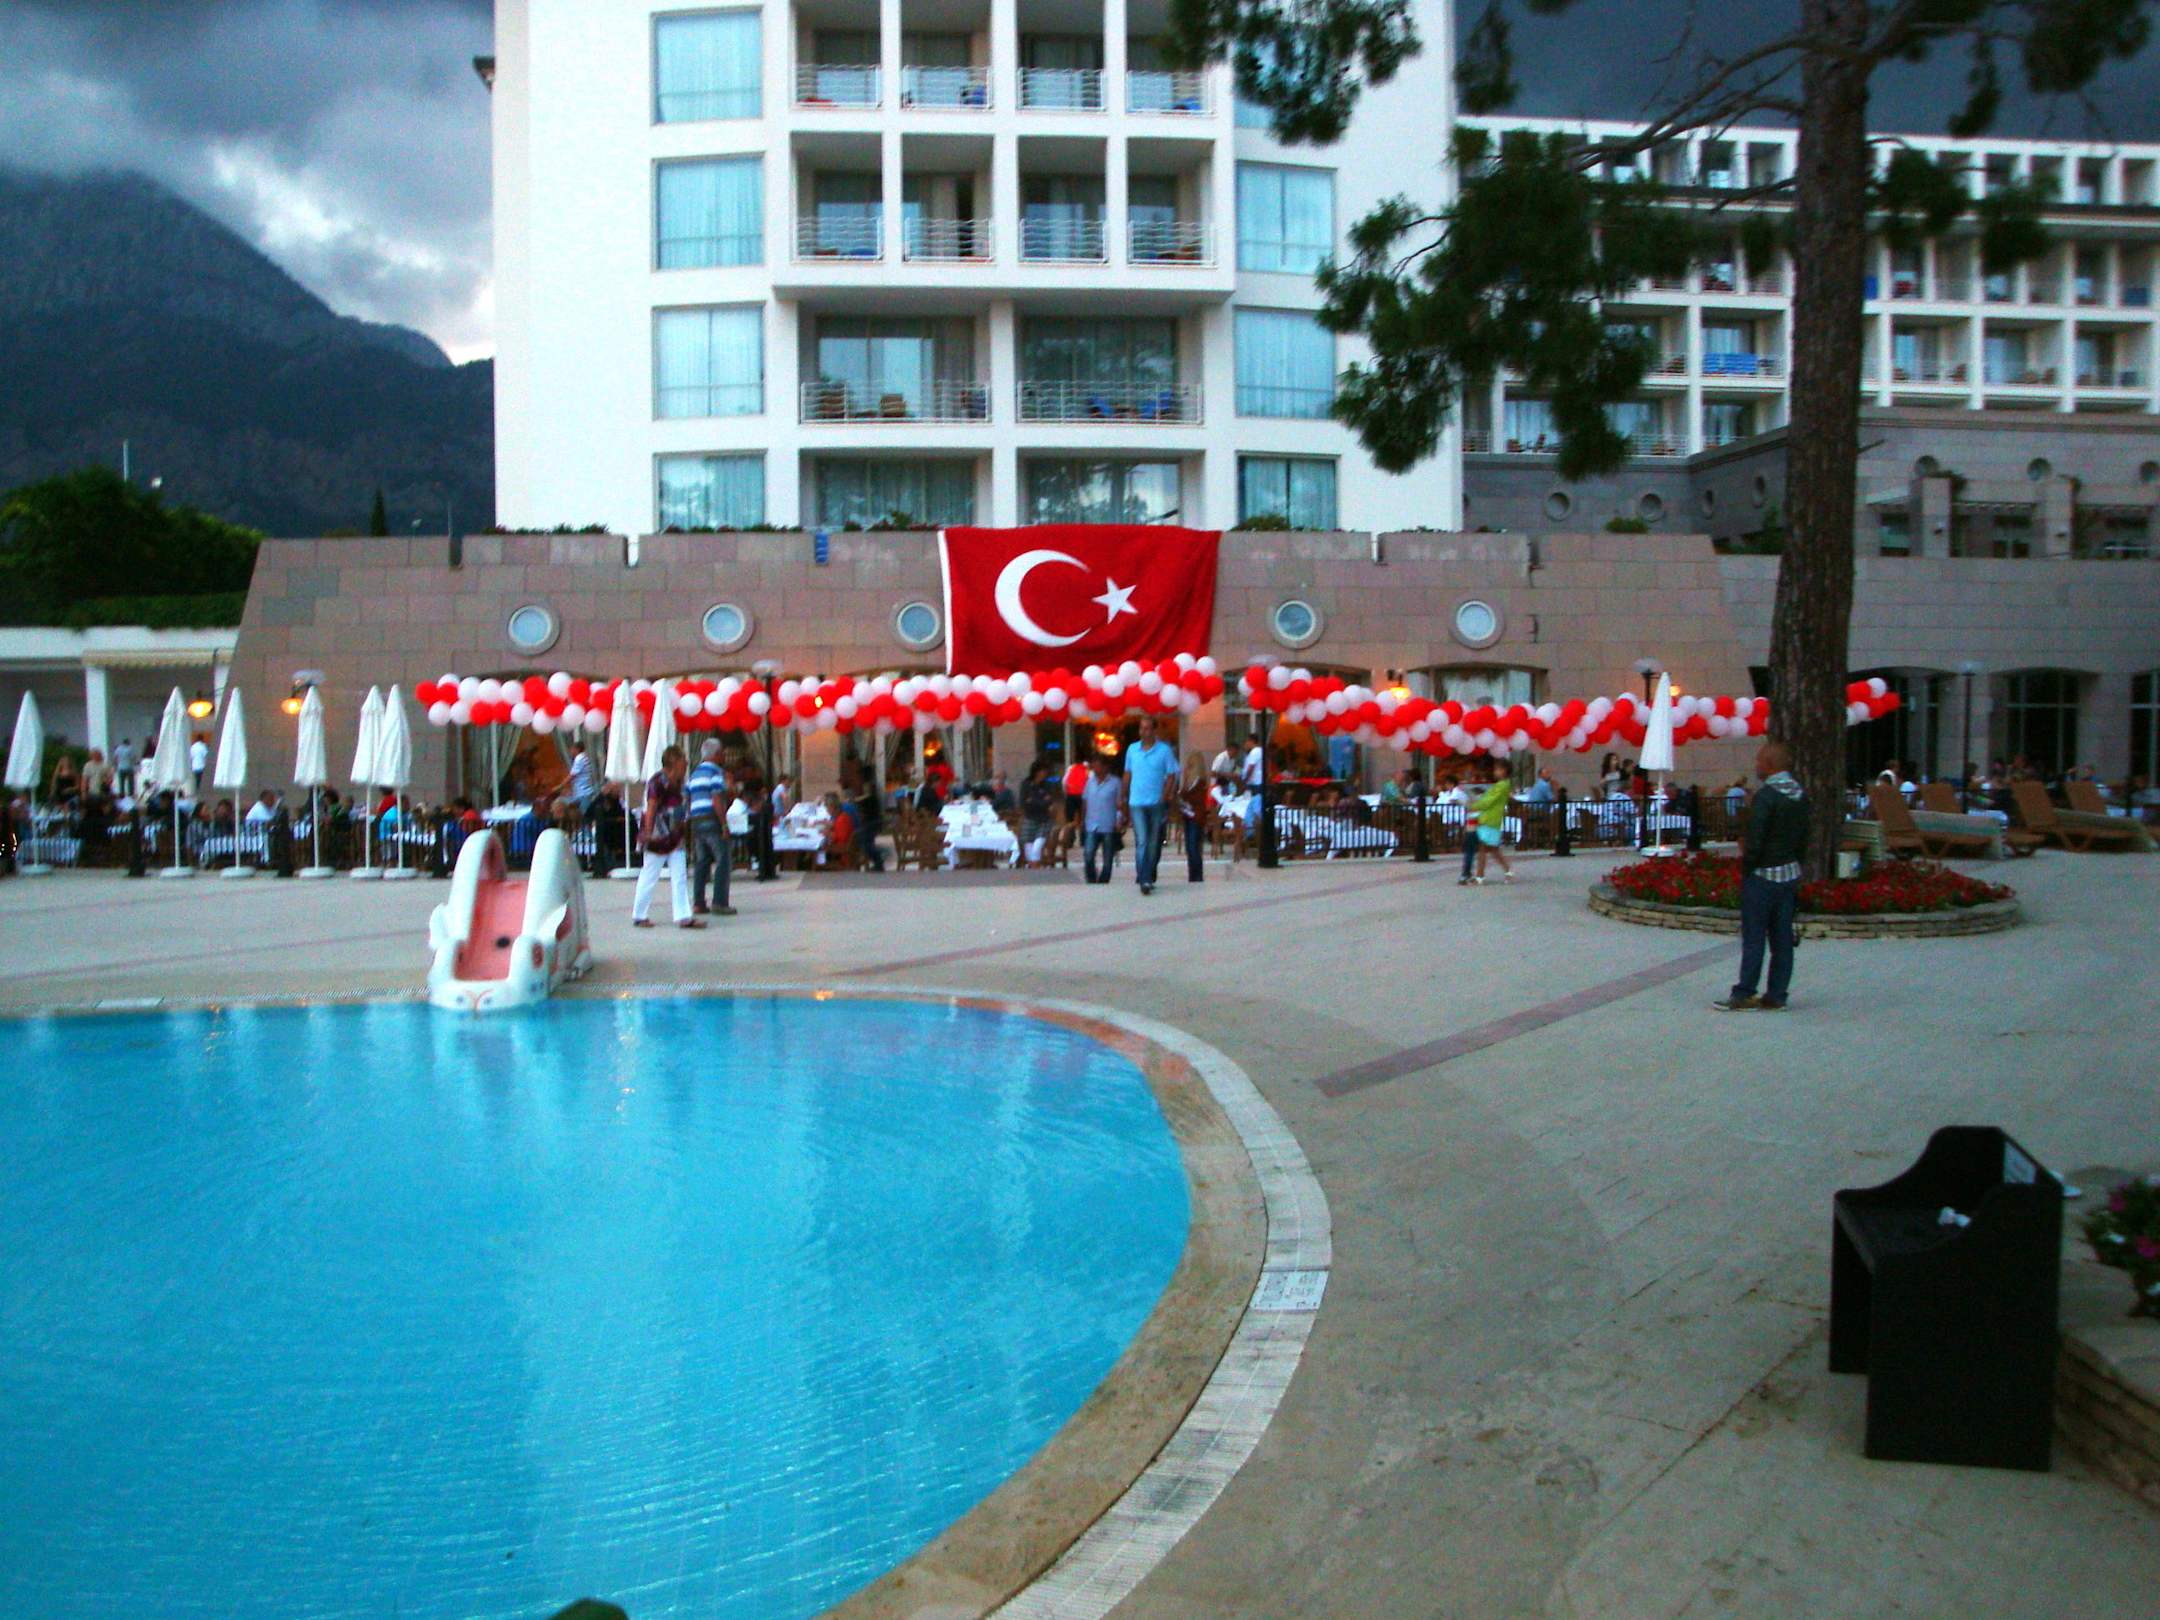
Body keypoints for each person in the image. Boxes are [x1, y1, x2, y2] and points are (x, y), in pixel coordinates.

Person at [1716, 740, 1809, 1012]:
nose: (1755, 765)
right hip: (1789, 873)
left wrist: (1748, 867)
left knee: (1755, 937)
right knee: (1782, 939)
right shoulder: (1800, 795)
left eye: (1758, 760)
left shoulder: (1766, 797)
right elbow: (1803, 837)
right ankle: (1777, 995)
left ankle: (1745, 993)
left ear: (1769, 764)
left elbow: (1756, 840)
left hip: (1763, 876)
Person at [632, 744, 699, 929]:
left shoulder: (680, 782)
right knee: (650, 873)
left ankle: (683, 915)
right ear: (673, 764)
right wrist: (648, 832)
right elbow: (652, 807)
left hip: (675, 834)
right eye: (682, 762)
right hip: (658, 835)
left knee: (680, 874)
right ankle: (639, 914)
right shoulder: (657, 782)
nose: (686, 765)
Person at [1121, 714, 1179, 895]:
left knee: (1154, 843)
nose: (1143, 732)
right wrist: (1122, 796)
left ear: (1154, 730)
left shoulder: (1164, 750)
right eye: (1141, 728)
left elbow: (1172, 775)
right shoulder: (1132, 749)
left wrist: (1164, 795)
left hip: (1156, 803)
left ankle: (1149, 874)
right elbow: (1127, 773)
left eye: (1147, 728)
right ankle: (1143, 878)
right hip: (1136, 802)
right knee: (1142, 841)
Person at [685, 739, 736, 917]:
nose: (724, 757)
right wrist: (724, 824)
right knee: (723, 860)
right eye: (722, 753)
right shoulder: (716, 772)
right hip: (711, 819)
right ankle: (719, 902)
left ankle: (698, 902)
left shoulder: (694, 773)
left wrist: (690, 818)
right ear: (716, 754)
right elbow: (717, 799)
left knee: (702, 861)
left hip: (696, 820)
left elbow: (687, 797)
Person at [1081, 755, 1123, 884]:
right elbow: (1085, 801)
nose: (1095, 769)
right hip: (1091, 824)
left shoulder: (1115, 782)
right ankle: (1091, 878)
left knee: (1108, 856)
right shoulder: (1090, 782)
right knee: (1088, 854)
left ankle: (1104, 879)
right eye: (1094, 766)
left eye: (1098, 766)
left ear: (1106, 767)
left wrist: (1119, 820)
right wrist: (1083, 819)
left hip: (1108, 824)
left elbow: (1120, 803)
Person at [1471, 768, 1515, 884]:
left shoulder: (1501, 786)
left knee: (1484, 847)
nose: (1495, 772)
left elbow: (1489, 800)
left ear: (1504, 771)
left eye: (1497, 769)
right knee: (1492, 849)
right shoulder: (1501, 785)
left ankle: (1480, 876)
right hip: (1490, 818)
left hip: (1490, 819)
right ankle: (1507, 871)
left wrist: (1474, 805)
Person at [1177, 749, 1210, 883]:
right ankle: (1193, 874)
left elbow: (1194, 799)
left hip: (1196, 817)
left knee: (1193, 846)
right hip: (1188, 815)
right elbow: (1182, 795)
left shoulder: (1200, 782)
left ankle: (1197, 875)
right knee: (1190, 847)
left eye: (1190, 765)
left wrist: (1184, 793)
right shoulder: (1189, 782)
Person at [1018, 761, 1055, 863]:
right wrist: (1042, 802)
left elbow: (1049, 801)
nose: (1045, 774)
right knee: (1028, 848)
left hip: (1044, 819)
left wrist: (1033, 801)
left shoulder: (1047, 785)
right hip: (1030, 818)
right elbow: (1023, 803)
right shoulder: (1026, 784)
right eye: (1043, 771)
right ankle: (1033, 868)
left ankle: (1035, 867)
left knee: (1037, 847)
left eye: (1046, 771)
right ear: (1036, 771)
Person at [565, 737, 599, 820]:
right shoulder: (584, 757)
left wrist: (559, 786)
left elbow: (572, 775)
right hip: (581, 791)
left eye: (572, 749)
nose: (570, 751)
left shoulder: (579, 758)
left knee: (584, 815)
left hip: (583, 791)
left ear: (577, 749)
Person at [1061, 756, 1089, 822]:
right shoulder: (1087, 769)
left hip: (1071, 795)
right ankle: (1081, 825)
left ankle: (1070, 825)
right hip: (1082, 795)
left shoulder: (1071, 768)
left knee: (1070, 816)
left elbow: (1064, 782)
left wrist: (1066, 793)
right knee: (1082, 815)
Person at [189, 732, 210, 796]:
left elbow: (191, 756)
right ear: (202, 739)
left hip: (194, 766)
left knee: (196, 779)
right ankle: (199, 791)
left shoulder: (193, 747)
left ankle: (197, 790)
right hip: (201, 766)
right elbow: (206, 756)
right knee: (200, 780)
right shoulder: (203, 746)